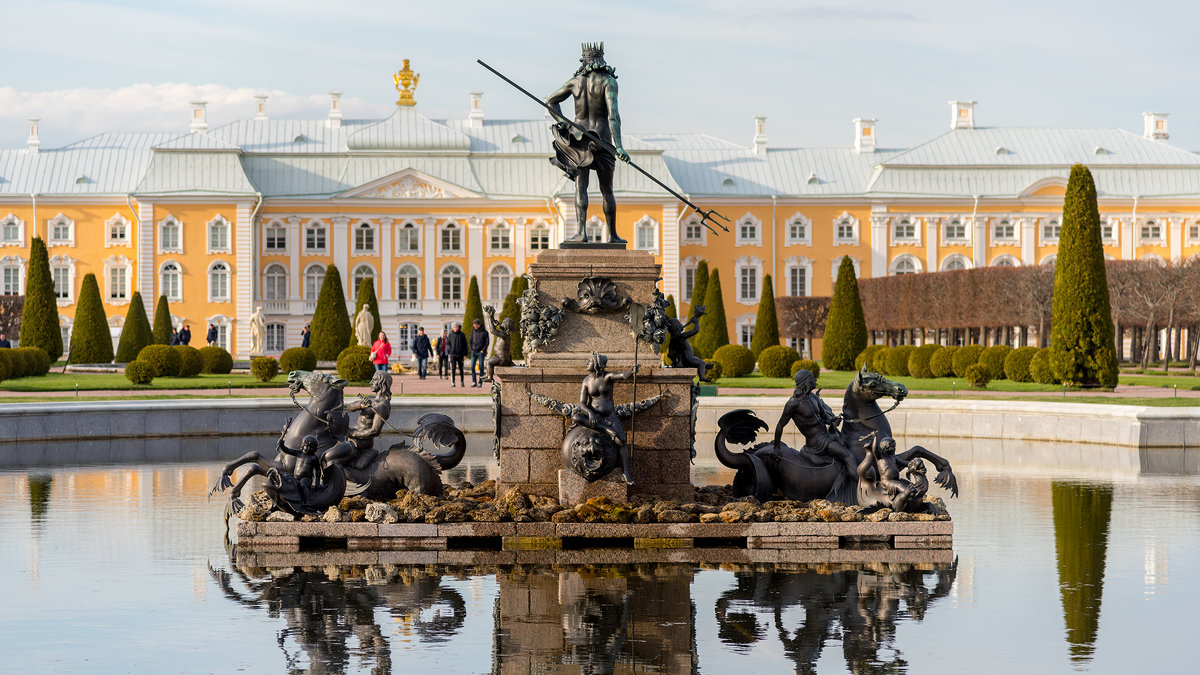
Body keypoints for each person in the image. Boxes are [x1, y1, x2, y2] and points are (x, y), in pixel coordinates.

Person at [546, 42, 630, 244]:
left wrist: (564, 123)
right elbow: (613, 116)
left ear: (584, 60)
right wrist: (618, 146)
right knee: (607, 189)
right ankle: (613, 236)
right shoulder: (608, 82)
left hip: (578, 139)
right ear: (601, 60)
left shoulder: (575, 82)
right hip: (601, 139)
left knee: (580, 188)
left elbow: (551, 102)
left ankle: (581, 233)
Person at [773, 369, 860, 487]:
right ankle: (859, 489)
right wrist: (776, 447)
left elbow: (824, 417)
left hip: (827, 435)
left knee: (854, 446)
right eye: (812, 378)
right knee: (848, 456)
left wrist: (833, 420)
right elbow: (780, 425)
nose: (815, 380)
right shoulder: (793, 404)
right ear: (805, 382)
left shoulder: (812, 397)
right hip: (816, 442)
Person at [571, 352, 639, 484]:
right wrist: (590, 413)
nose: (587, 364)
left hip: (609, 416)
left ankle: (625, 472)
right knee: (576, 417)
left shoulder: (607, 377)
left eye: (589, 361)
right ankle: (607, 430)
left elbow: (622, 375)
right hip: (594, 416)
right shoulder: (586, 381)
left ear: (596, 364)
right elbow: (582, 403)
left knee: (621, 441)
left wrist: (631, 371)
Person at [482, 304, 514, 383]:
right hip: (506, 358)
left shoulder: (504, 335)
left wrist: (489, 318)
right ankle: (488, 374)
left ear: (506, 326)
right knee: (489, 361)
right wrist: (492, 316)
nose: (501, 323)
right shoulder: (505, 334)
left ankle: (490, 377)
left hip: (501, 358)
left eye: (503, 322)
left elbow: (493, 331)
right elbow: (496, 326)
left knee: (488, 362)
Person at [445, 322, 468, 387]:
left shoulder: (462, 335)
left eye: (456, 327)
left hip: (460, 354)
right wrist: (450, 350)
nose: (455, 328)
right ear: (452, 328)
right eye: (454, 327)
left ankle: (462, 382)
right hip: (453, 355)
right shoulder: (450, 335)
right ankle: (453, 382)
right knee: (453, 369)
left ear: (458, 327)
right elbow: (447, 344)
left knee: (461, 369)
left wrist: (465, 354)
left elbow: (465, 345)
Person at [468, 318, 490, 387]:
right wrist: (471, 349)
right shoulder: (473, 332)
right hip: (474, 352)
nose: (475, 326)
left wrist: (483, 350)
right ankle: (474, 382)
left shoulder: (485, 332)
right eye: (474, 325)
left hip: (481, 352)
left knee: (481, 367)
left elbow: (487, 342)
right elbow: (470, 341)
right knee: (472, 367)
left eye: (476, 325)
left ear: (479, 324)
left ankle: (480, 382)